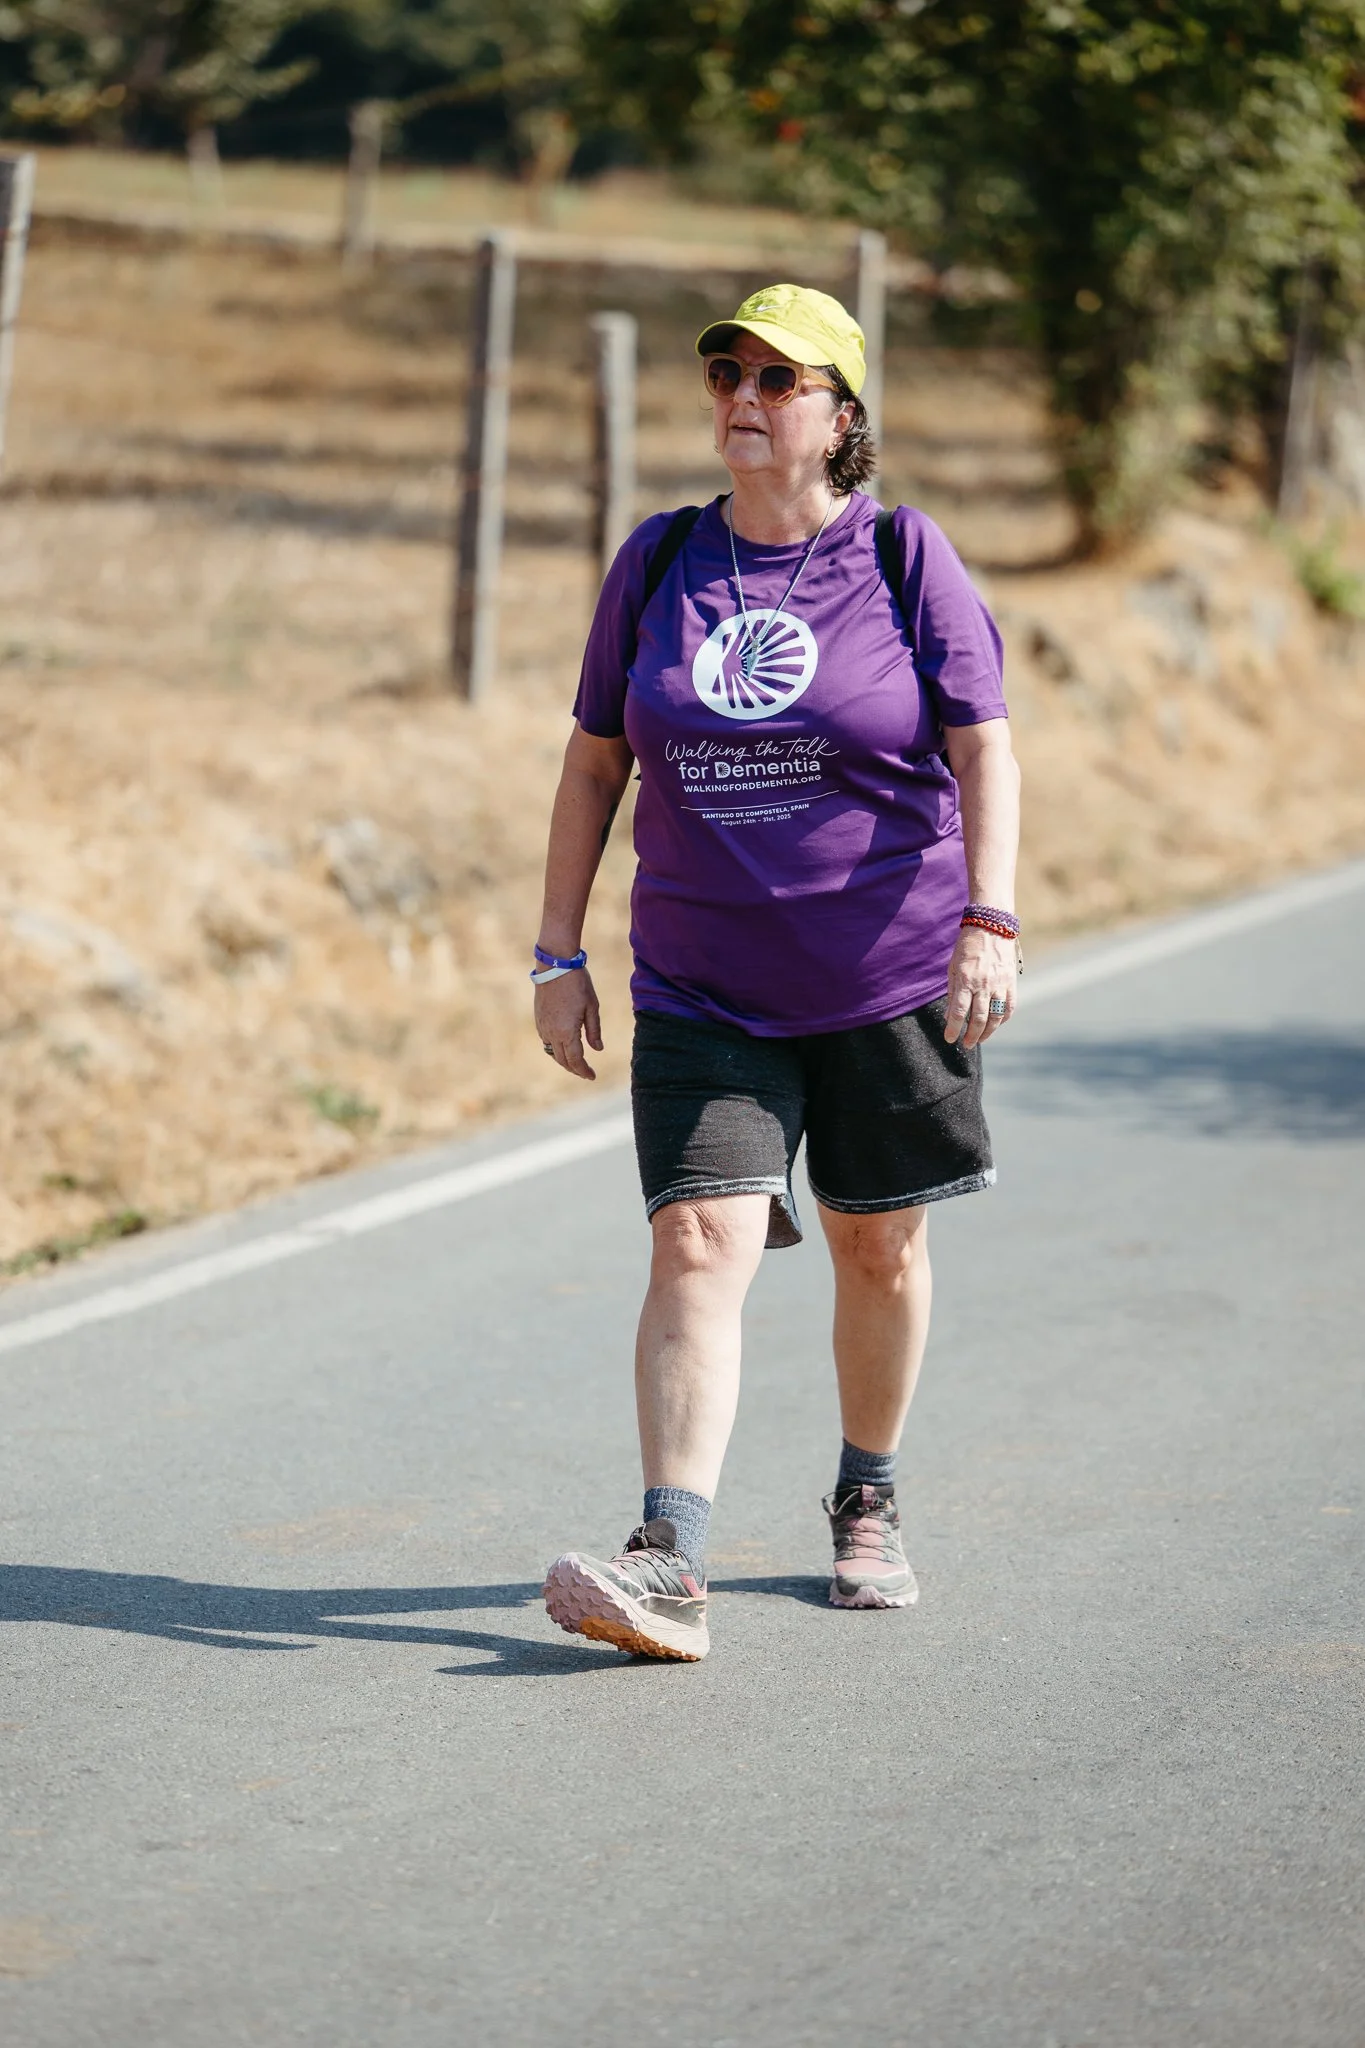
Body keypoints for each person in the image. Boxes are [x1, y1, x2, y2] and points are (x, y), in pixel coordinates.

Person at [535, 284, 1020, 1662]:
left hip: (888, 973)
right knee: (697, 1238)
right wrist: (559, 950)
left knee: (879, 1241)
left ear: (841, 415)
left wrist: (991, 918)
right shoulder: (660, 561)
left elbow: (986, 746)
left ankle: (867, 1497)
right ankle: (669, 1557)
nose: (743, 395)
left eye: (779, 378)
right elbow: (590, 765)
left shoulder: (906, 558)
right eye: (727, 374)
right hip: (701, 978)